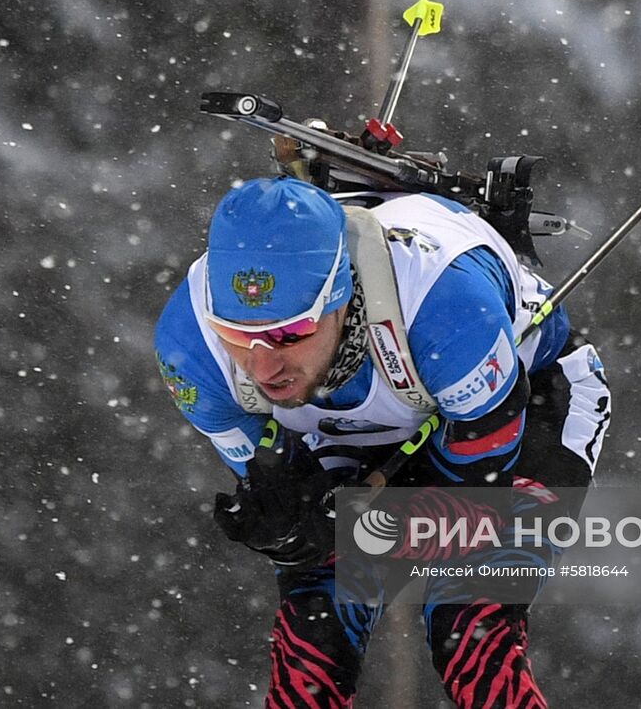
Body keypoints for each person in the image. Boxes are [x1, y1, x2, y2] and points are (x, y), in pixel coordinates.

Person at [154, 176, 611, 708]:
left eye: (289, 334)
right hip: (355, 427)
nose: (262, 365)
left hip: (522, 403)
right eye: (236, 335)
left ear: (341, 298)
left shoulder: (445, 308)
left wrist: (351, 526)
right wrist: (292, 530)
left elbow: (473, 502)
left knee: (467, 630)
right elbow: (285, 489)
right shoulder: (191, 350)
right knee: (314, 640)